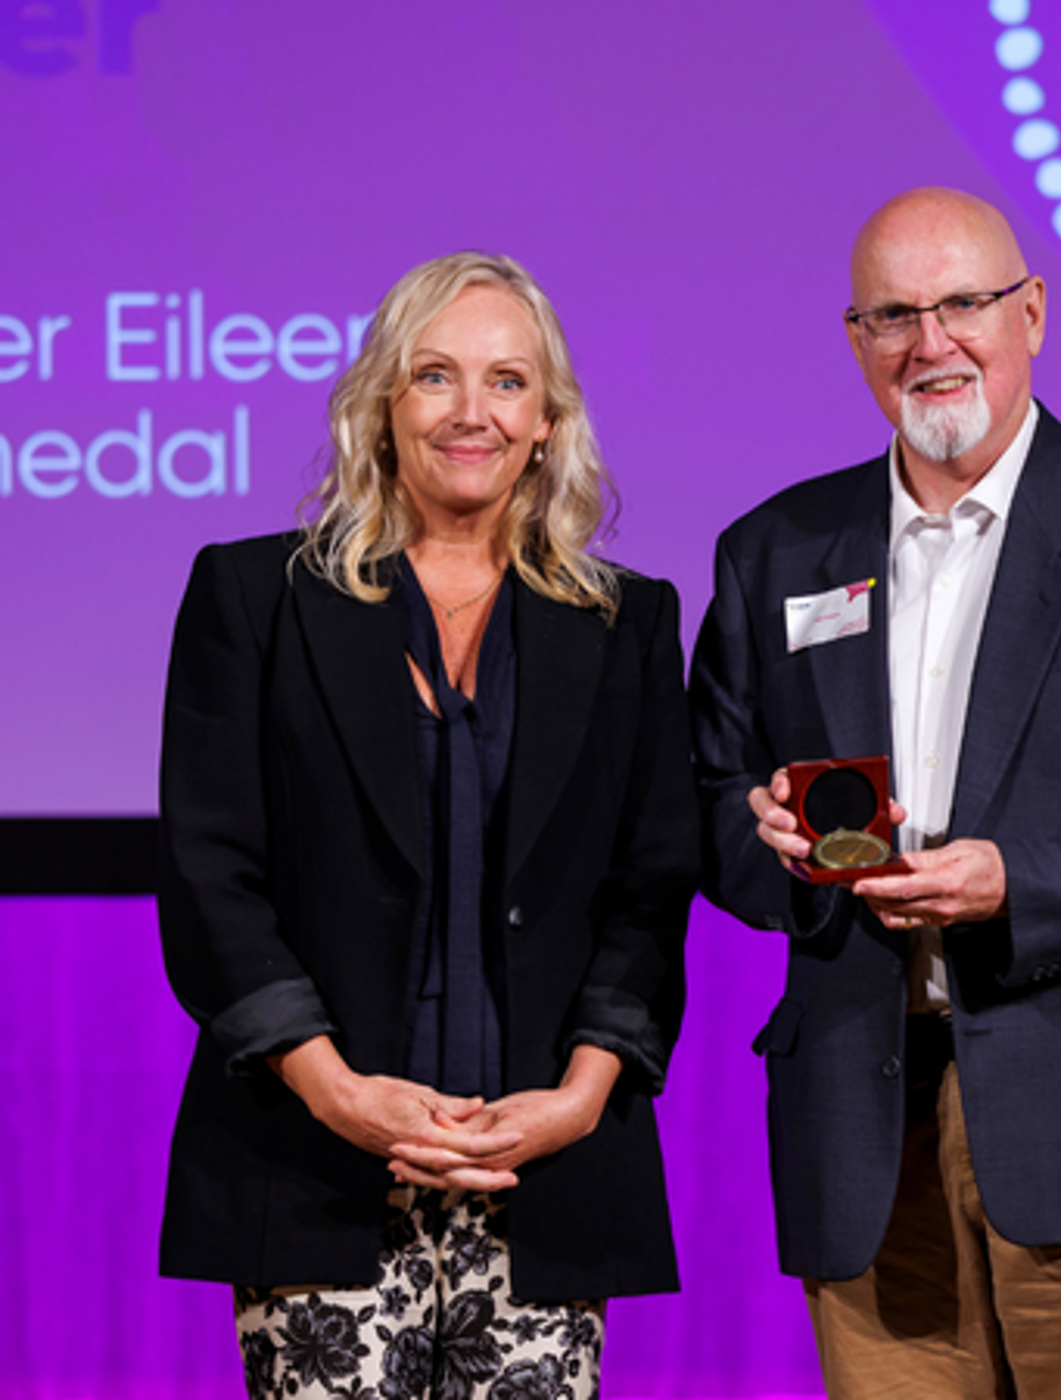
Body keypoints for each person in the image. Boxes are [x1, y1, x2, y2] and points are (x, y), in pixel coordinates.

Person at [689, 187, 1061, 1398]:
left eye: (961, 303)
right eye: (894, 314)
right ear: (856, 342)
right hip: (863, 1118)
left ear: (1029, 313)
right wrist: (772, 848)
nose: (931, 342)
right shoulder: (774, 549)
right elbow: (708, 799)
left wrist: (1014, 878)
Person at [158, 252, 699, 1400]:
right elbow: (211, 874)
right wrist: (331, 1084)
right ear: (381, 405)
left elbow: (651, 886)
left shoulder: (627, 623)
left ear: (548, 421)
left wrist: (582, 1095)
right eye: (434, 376)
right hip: (313, 1161)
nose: (471, 411)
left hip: (544, 1174)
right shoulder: (253, 599)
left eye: (507, 381)